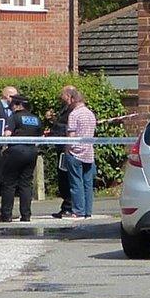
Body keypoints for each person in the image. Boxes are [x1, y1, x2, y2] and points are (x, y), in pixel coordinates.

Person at [0, 94, 46, 223]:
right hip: (31, 153)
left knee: (9, 183)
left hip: (15, 152)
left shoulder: (14, 117)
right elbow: (41, 137)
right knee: (26, 184)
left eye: (12, 105)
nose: (11, 107)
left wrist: (1, 146)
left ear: (18, 105)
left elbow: (7, 135)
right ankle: (26, 215)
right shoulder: (36, 119)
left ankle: (6, 215)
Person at [57, 85, 98, 221]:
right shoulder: (90, 114)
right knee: (88, 183)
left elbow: (71, 135)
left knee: (76, 183)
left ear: (73, 99)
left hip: (75, 153)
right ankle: (88, 211)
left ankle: (78, 211)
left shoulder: (74, 114)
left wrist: (67, 150)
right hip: (89, 153)